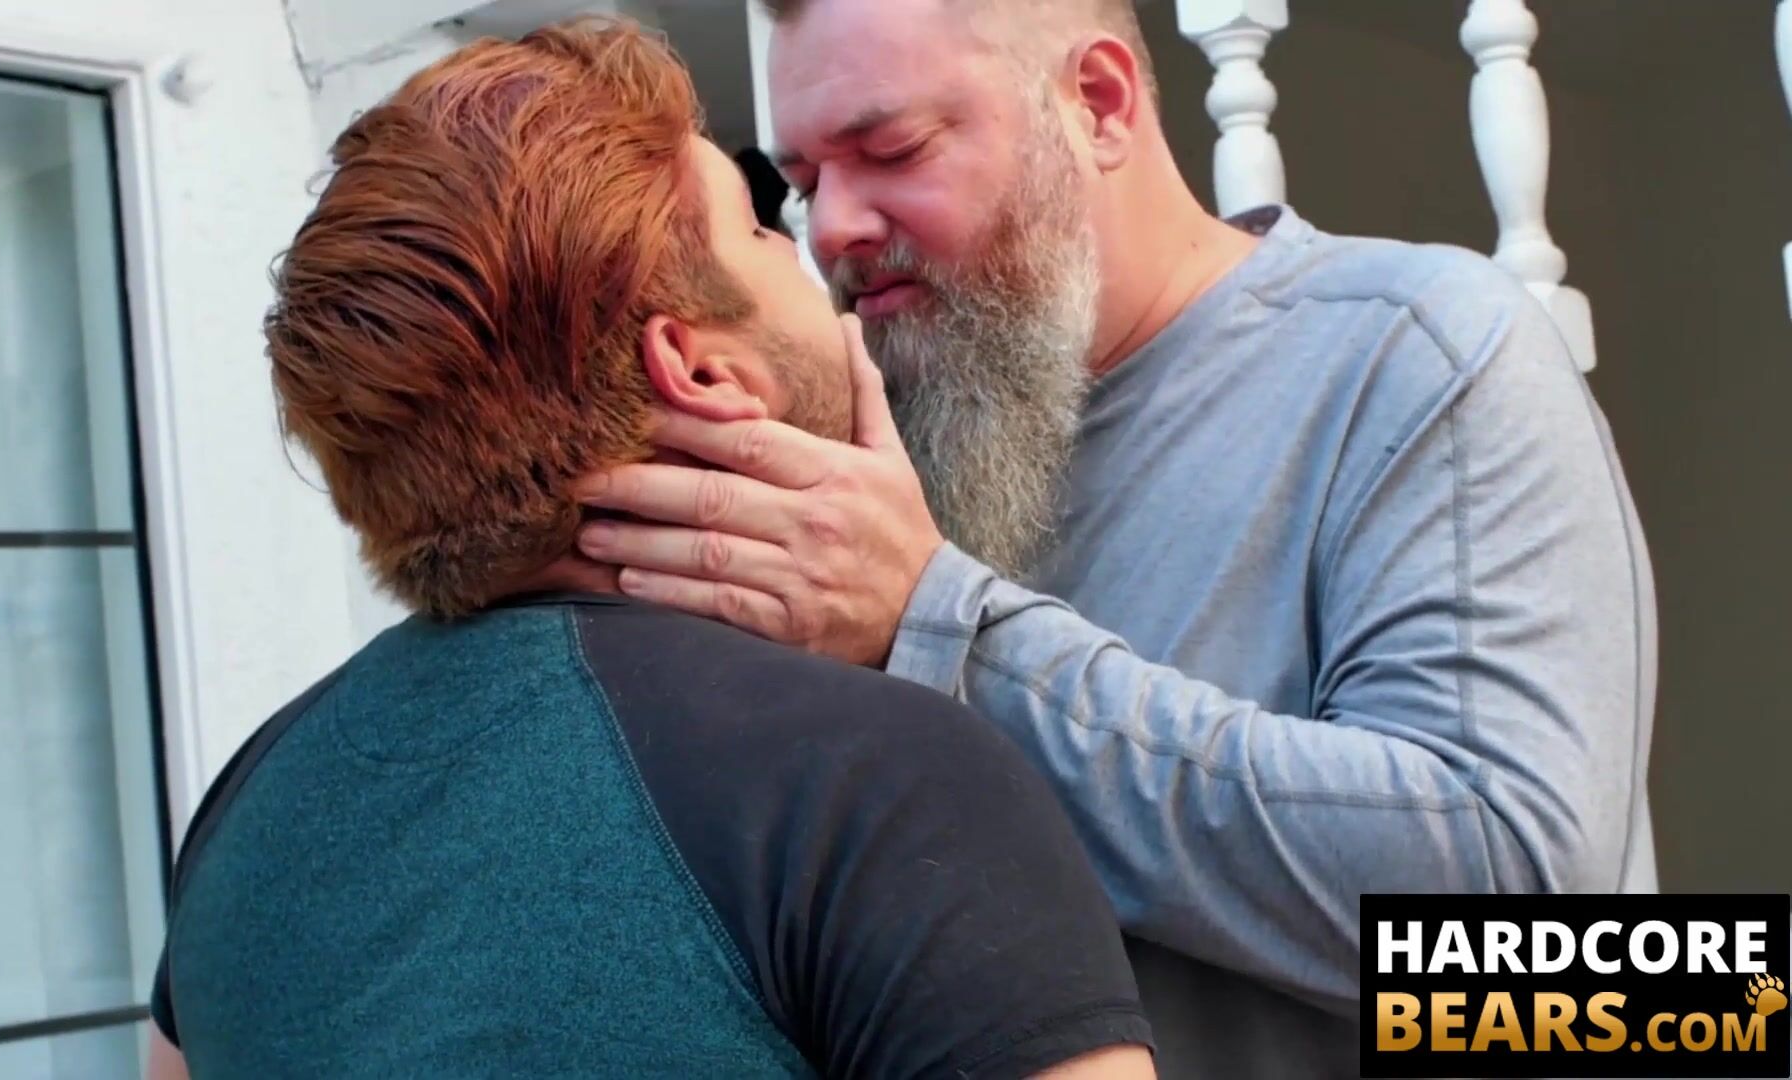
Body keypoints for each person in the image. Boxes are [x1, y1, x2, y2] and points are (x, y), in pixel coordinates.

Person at [569, 0, 1659, 1074]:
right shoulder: (860, 458)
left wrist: (941, 628)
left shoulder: (1418, 354)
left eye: (892, 151)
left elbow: (1516, 917)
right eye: (804, 186)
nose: (834, 228)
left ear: (1097, 103)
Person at [143, 21, 1157, 1080]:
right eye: (765, 220)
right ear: (703, 373)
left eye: (891, 151)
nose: (818, 243)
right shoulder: (876, 787)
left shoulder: (245, 816)